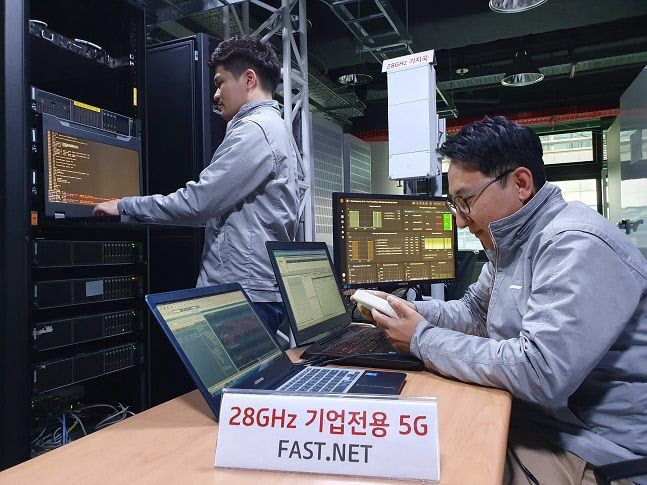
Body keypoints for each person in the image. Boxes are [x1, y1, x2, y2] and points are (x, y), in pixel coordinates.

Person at [361, 116, 647, 484]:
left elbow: (540, 371)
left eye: (466, 200)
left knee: (444, 468)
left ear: (521, 183)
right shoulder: (511, 245)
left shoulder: (573, 243)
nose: (460, 221)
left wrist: (421, 339)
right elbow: (474, 313)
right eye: (454, 204)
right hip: (544, 421)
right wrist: (406, 311)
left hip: (598, 450)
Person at [93, 35, 301, 333]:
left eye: (220, 82)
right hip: (255, 291)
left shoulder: (255, 130)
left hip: (242, 295)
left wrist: (125, 205)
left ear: (249, 79)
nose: (215, 94)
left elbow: (197, 203)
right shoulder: (276, 127)